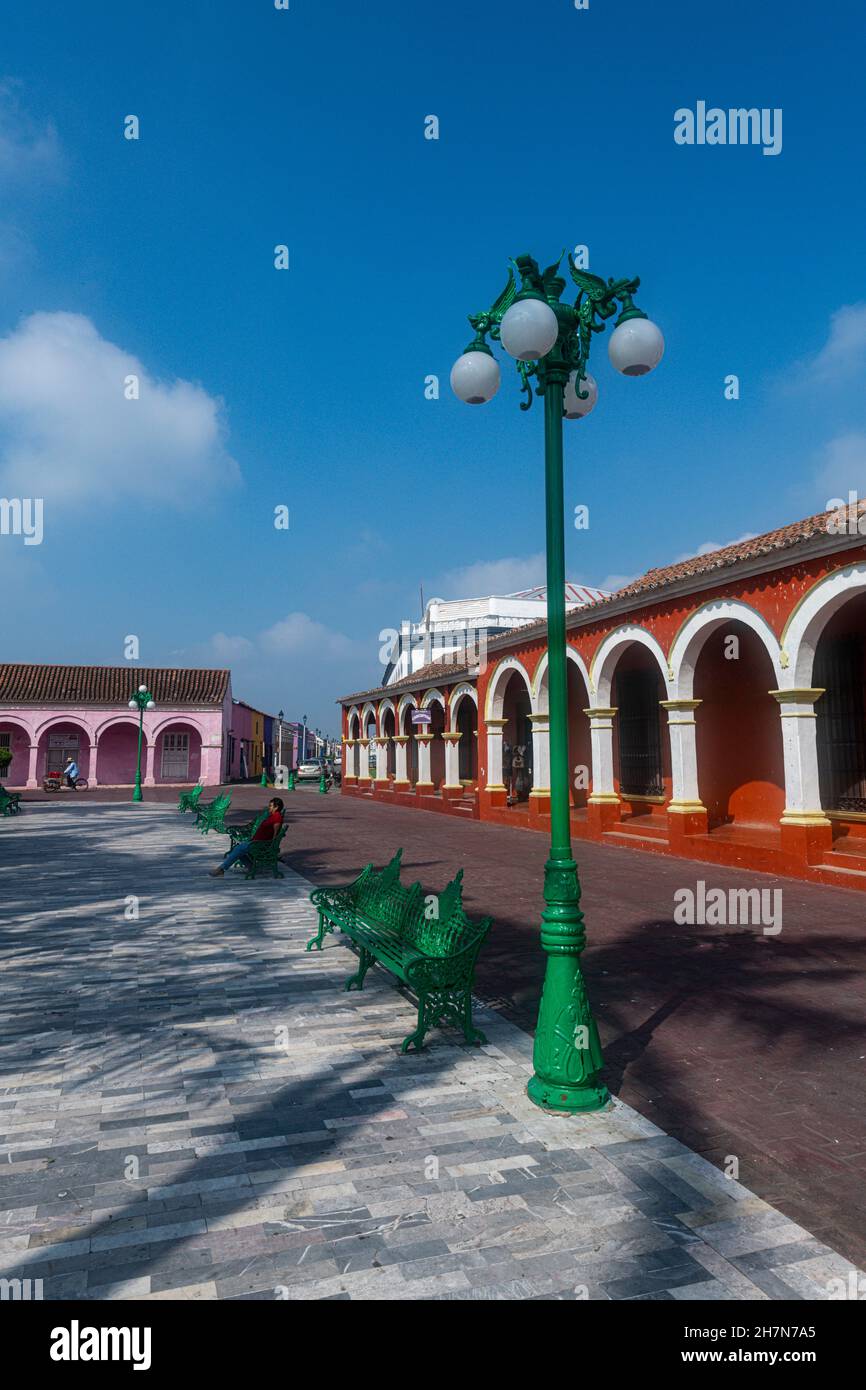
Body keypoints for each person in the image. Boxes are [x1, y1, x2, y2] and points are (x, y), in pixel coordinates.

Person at [209, 797, 284, 877]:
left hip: (259, 844)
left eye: (271, 806)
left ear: (276, 807)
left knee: (239, 849)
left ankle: (221, 869)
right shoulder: (272, 816)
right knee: (238, 848)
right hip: (256, 842)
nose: (269, 807)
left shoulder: (277, 817)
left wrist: (270, 846)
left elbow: (275, 834)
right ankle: (251, 867)